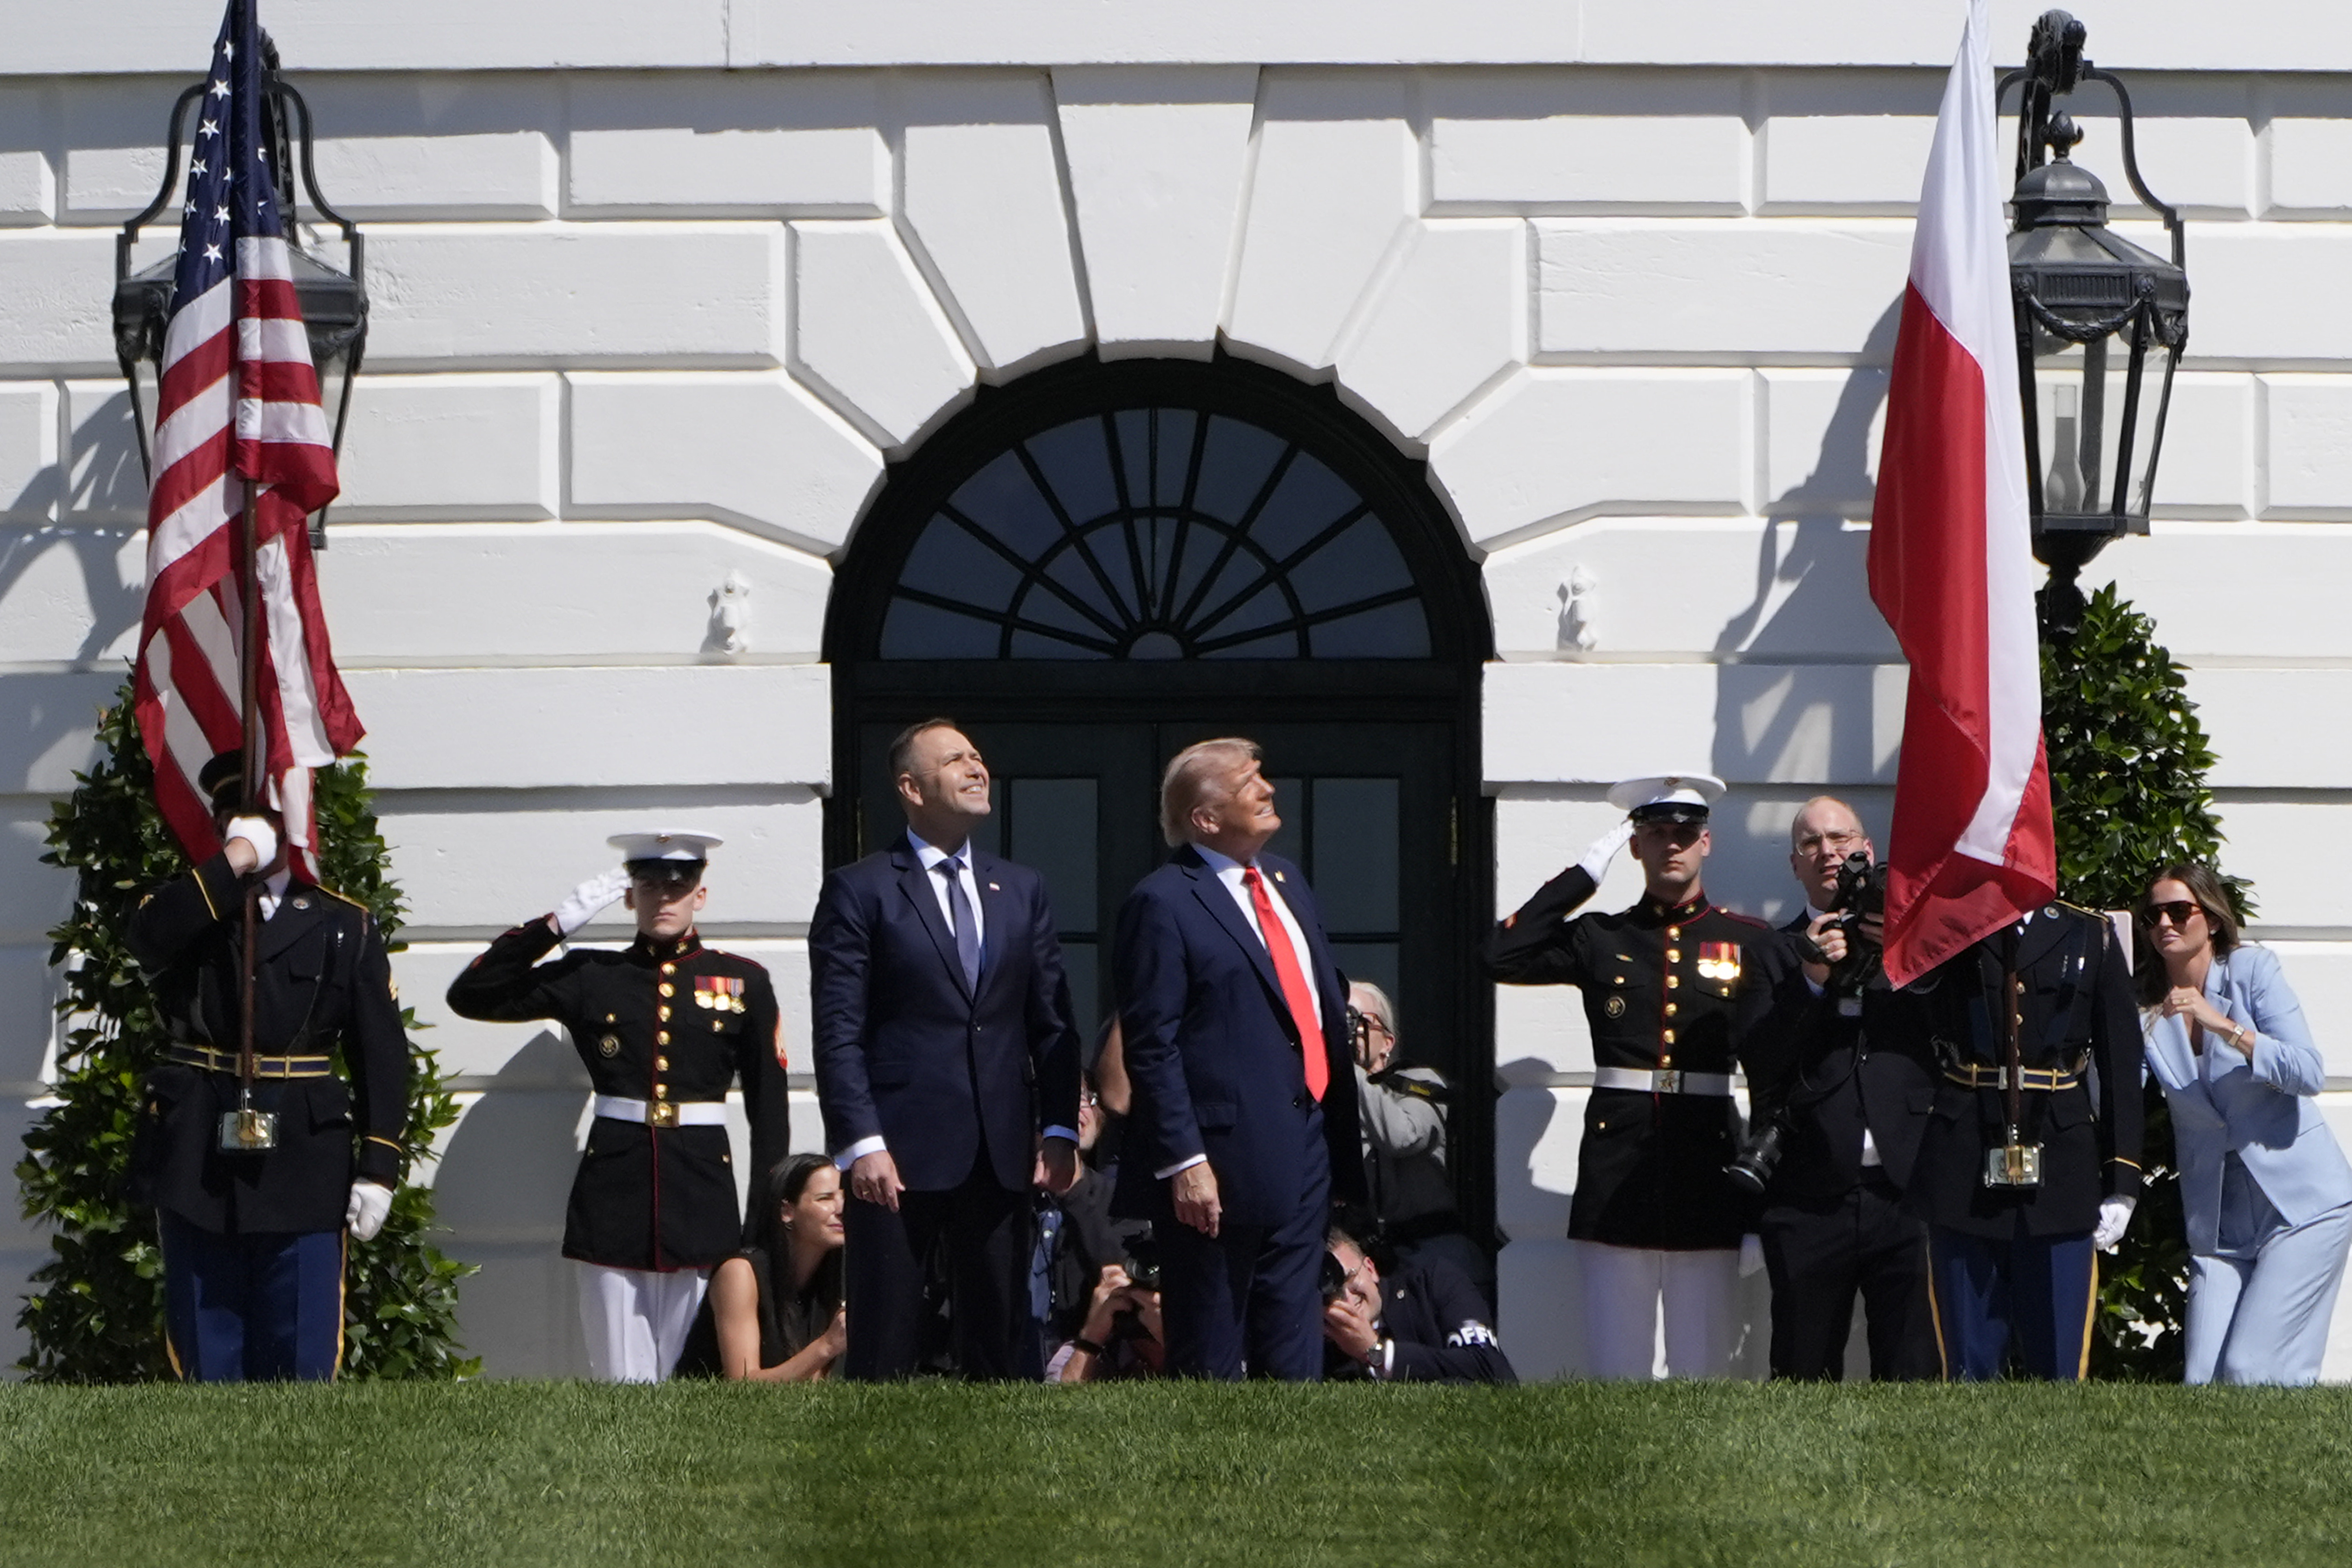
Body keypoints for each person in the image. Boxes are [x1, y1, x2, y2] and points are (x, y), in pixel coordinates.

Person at [445, 828, 789, 1382]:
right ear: (629, 897)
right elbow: (470, 995)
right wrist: (555, 926)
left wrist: (760, 1224)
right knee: (618, 1378)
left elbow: (769, 1113)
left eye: (678, 888)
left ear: (700, 895)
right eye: (649, 887)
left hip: (702, 1195)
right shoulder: (592, 976)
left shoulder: (744, 981)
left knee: (697, 1373)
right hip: (614, 1193)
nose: (664, 899)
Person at [1483, 772, 1787, 1380]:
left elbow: (1773, 1071)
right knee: (1617, 1371)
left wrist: (1759, 1207)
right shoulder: (1602, 937)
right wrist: (1581, 877)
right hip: (1616, 1169)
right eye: (1656, 834)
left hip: (1708, 1170)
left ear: (1707, 843)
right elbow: (1499, 955)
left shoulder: (1748, 942)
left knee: (1703, 1372)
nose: (1672, 845)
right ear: (1635, 846)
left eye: (1685, 834)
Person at [809, 718, 1082, 1380]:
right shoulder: (862, 888)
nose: (977, 767)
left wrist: (1058, 1128)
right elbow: (839, 1028)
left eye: (978, 756)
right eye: (956, 759)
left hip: (1000, 1152)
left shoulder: (1021, 888)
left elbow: (1052, 1021)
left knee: (1000, 1348)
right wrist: (861, 1143)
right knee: (885, 1345)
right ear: (911, 787)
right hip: (896, 1154)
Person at [127, 749, 410, 1382]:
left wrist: (380, 1166)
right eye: (232, 818)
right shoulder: (192, 908)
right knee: (206, 1357)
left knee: (302, 1355)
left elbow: (382, 1055)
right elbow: (146, 939)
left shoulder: (344, 924)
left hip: (304, 1160)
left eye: (262, 818)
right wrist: (232, 864)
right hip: (198, 1154)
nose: (246, 828)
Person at [1112, 737, 1365, 1380]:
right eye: (1248, 782)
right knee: (1211, 1346)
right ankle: (1210, 1447)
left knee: (1293, 1336)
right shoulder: (1164, 901)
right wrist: (1184, 1160)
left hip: (1305, 1141)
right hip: (1216, 1160)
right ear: (1204, 818)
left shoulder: (1285, 880)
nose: (1267, 789)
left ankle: (1290, 1441)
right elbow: (1153, 1042)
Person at [1903, 893, 2142, 1381]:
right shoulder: (1949, 926)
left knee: (2059, 1364)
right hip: (1964, 1163)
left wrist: (2122, 1179)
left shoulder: (2088, 932)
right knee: (1967, 1366)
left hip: (2061, 1164)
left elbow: (2119, 1060)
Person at [1745, 797, 1938, 1381]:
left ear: (1867, 850)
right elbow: (1761, 1060)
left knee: (1913, 1374)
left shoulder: (1915, 949)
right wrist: (1811, 980)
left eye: (1840, 839)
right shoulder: (1773, 952)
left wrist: (1897, 942)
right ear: (1794, 865)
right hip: (1808, 1192)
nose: (1827, 852)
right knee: (1803, 1372)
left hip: (1906, 1191)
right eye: (1810, 844)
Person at [2138, 864, 2352, 1386]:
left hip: (2302, 1205)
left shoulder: (2250, 972)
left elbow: (2307, 1071)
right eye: (2152, 915)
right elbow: (2114, 1095)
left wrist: (2223, 1026)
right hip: (2218, 1215)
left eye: (2178, 911)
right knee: (2202, 1383)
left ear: (2211, 919)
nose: (2164, 924)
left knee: (2250, 1369)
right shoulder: (2143, 1007)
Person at [1348, 980, 1485, 1304]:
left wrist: (1346, 1066)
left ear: (1387, 1042)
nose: (1348, 1031)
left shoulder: (1419, 1081)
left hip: (1433, 1259)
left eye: (1357, 1019)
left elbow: (1402, 1136)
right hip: (1367, 1265)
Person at [674, 1153, 849, 1381]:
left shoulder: (834, 1276)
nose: (841, 1208)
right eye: (825, 1198)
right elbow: (742, 1382)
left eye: (845, 1197)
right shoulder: (740, 1272)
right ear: (787, 1211)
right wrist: (827, 1345)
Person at [1321, 1222, 1515, 1384]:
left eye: (1350, 1278)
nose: (1347, 1298)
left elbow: (1489, 1367)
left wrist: (1377, 1353)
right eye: (1333, 1291)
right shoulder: (1321, 1341)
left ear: (1371, 1269)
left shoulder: (1434, 1284)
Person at [1050, 1262, 1166, 1381]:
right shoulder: (1099, 1346)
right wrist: (1091, 1340)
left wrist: (1169, 1338)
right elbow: (1063, 1391)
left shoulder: (1177, 1337)